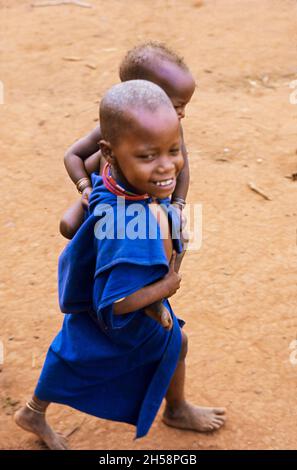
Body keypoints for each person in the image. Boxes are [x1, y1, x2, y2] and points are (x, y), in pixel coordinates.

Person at [14, 81, 226, 450]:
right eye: (148, 156)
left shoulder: (117, 181)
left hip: (131, 302)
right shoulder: (128, 226)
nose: (167, 166)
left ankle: (175, 408)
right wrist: (165, 287)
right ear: (110, 153)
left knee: (171, 342)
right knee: (76, 359)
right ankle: (34, 411)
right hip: (119, 316)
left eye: (174, 150)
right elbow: (115, 303)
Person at [60, 41, 196, 240]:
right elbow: (73, 155)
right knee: (69, 227)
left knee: (178, 235)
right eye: (176, 106)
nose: (182, 114)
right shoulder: (118, 124)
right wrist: (86, 188)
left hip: (150, 196)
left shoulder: (173, 129)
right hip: (108, 192)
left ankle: (171, 272)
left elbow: (183, 169)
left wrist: (177, 206)